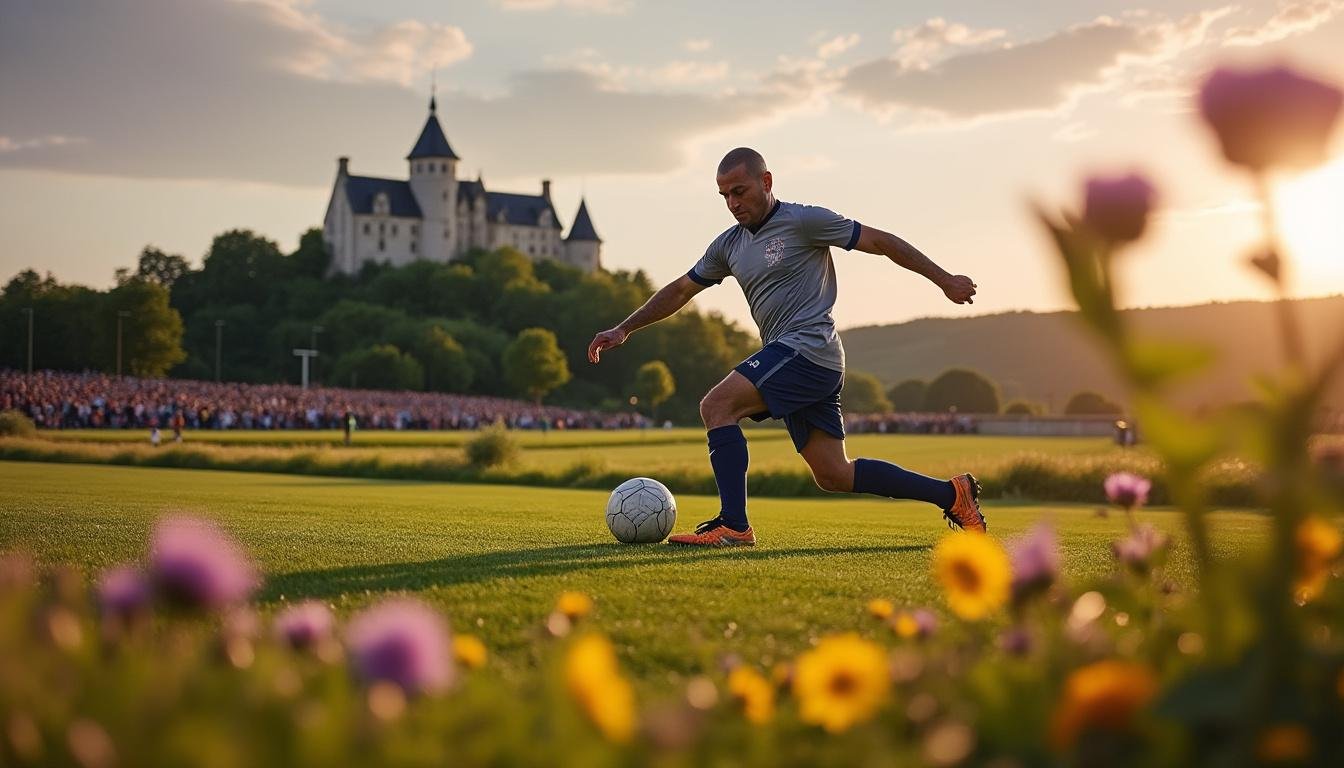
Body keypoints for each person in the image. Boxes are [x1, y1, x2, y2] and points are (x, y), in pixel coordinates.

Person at [587, 148, 986, 546]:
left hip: (809, 350)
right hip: (801, 360)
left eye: (740, 191)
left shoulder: (804, 220)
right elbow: (680, 289)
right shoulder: (728, 245)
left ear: (766, 181)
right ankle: (952, 494)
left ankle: (735, 525)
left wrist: (944, 279)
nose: (733, 203)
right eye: (724, 196)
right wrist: (625, 329)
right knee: (833, 474)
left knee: (717, 406)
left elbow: (880, 241)